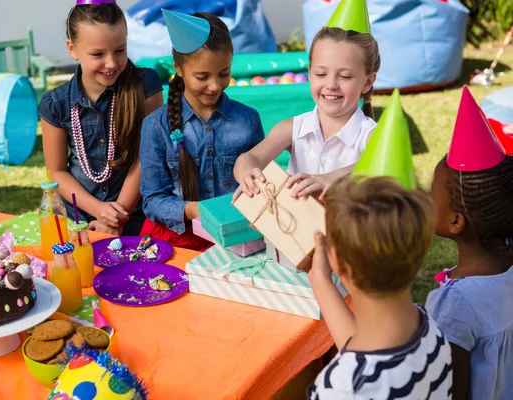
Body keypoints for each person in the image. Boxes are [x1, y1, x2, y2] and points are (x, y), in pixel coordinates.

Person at [308, 175, 452, 399]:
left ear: (335, 258)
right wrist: (322, 284)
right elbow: (369, 354)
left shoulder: (342, 387)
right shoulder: (429, 330)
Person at [139, 10, 264, 250]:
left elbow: (261, 183)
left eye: (224, 74)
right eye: (202, 76)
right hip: (177, 238)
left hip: (235, 237)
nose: (215, 85)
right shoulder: (156, 126)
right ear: (178, 67)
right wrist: (196, 210)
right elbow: (153, 199)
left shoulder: (248, 120)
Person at [234, 0, 380, 201]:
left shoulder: (371, 136)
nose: (331, 85)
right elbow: (250, 158)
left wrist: (331, 178)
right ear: (310, 73)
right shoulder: (292, 129)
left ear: (367, 82)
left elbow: (379, 167)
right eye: (321, 74)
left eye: (345, 76)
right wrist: (248, 173)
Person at [40, 0, 163, 236]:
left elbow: (148, 156)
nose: (111, 63)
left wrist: (115, 218)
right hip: (78, 218)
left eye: (120, 50)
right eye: (97, 53)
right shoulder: (55, 104)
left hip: (134, 216)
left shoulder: (145, 85)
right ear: (72, 49)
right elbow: (57, 172)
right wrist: (98, 210)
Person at [426, 87, 513, 400]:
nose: (426, 198)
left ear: (456, 222)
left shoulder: (456, 305)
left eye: (431, 193)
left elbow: (452, 392)